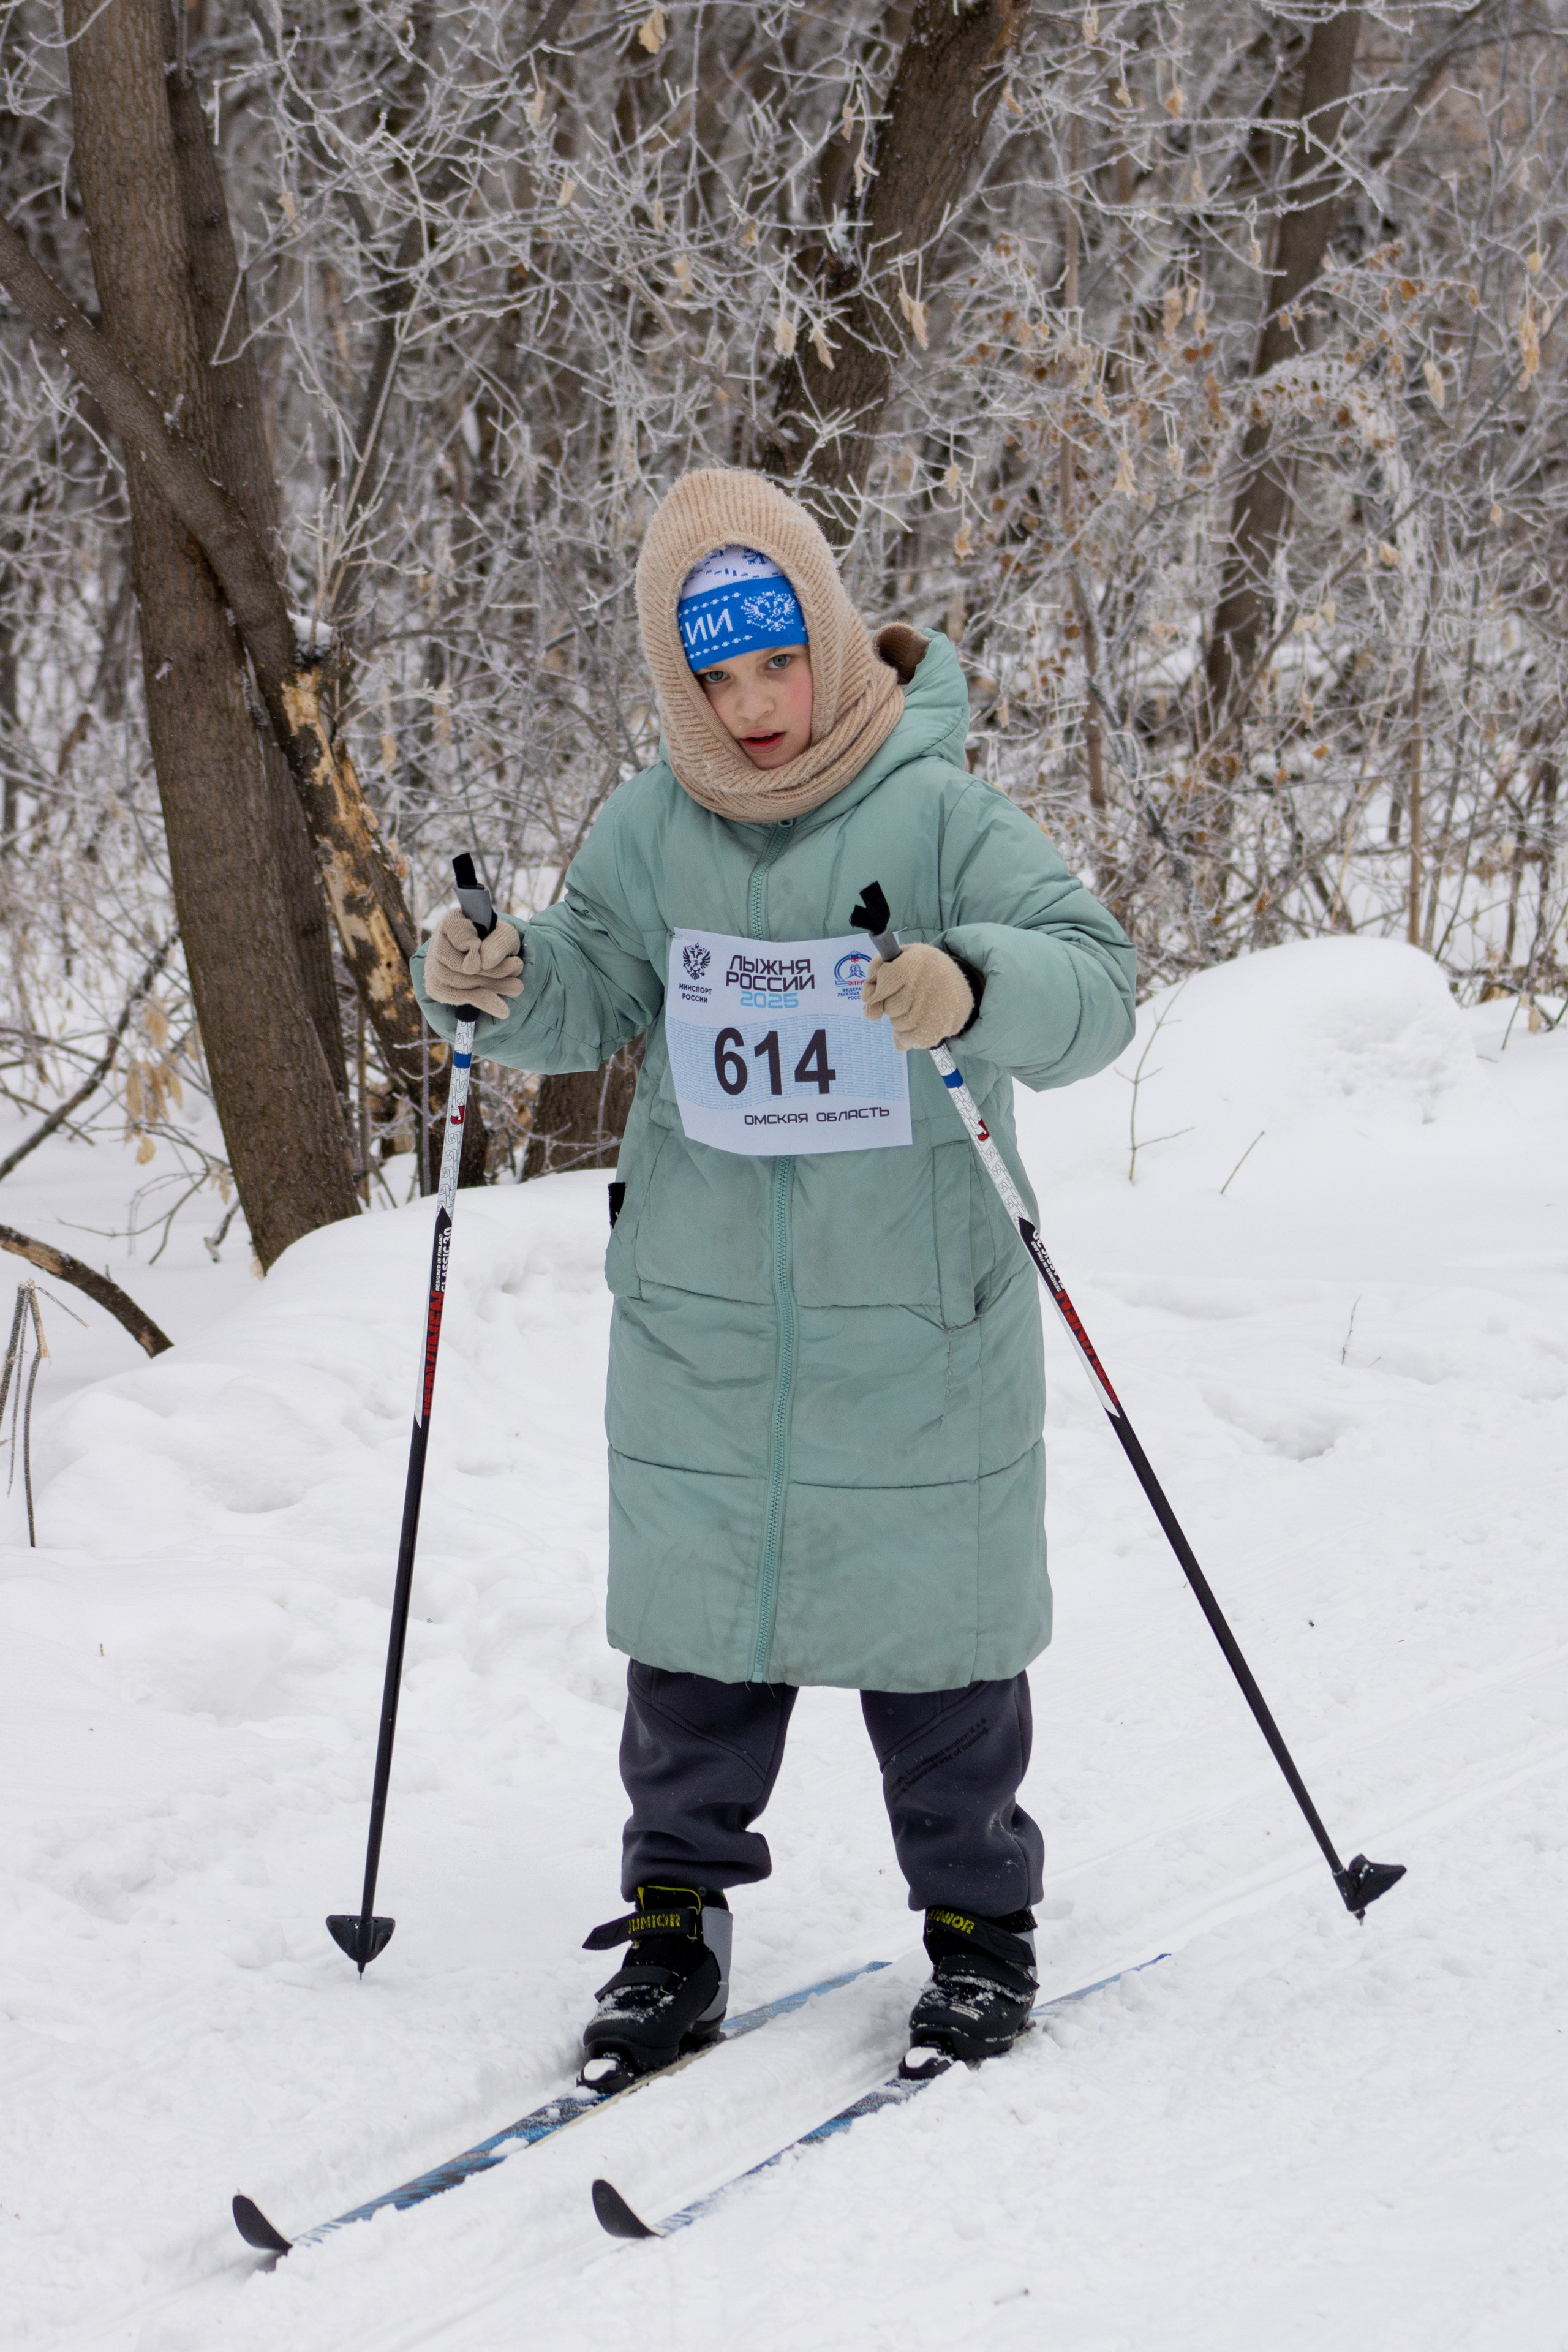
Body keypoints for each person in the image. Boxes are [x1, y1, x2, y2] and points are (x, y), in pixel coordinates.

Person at [412, 467, 1136, 2086]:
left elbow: (1097, 981)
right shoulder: (651, 825)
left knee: (942, 1649)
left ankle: (980, 1929)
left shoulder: (939, 813)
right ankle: (674, 1928)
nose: (750, 704)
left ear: (827, 636)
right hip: (708, 1319)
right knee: (695, 1649)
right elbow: (588, 985)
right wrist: (495, 973)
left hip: (917, 1320)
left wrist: (972, 982)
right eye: (715, 675)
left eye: (777, 662)